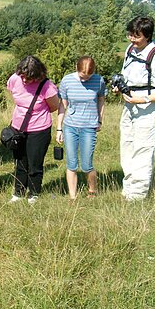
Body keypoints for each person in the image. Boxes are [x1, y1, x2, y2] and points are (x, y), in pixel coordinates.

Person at [114, 16, 155, 202]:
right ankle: (128, 188)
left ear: (147, 35)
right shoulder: (130, 49)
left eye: (136, 36)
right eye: (130, 34)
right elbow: (125, 75)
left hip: (149, 109)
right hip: (130, 107)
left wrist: (142, 99)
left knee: (143, 150)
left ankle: (137, 196)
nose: (131, 38)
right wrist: (119, 87)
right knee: (127, 147)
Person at [7, 56, 58, 204]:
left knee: (34, 163)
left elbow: (54, 106)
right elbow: (13, 95)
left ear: (37, 75)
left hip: (39, 129)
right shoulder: (14, 79)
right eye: (22, 76)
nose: (24, 81)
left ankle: (34, 193)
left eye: (29, 78)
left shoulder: (47, 86)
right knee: (20, 162)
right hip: (18, 128)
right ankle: (18, 193)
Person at [56, 56, 106, 202]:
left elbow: (101, 100)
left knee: (86, 164)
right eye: (82, 76)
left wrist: (100, 120)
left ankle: (92, 191)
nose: (85, 80)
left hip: (89, 126)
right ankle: (73, 197)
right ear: (76, 69)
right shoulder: (67, 81)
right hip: (70, 126)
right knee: (71, 163)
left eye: (88, 76)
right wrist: (59, 128)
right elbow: (62, 104)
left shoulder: (99, 80)